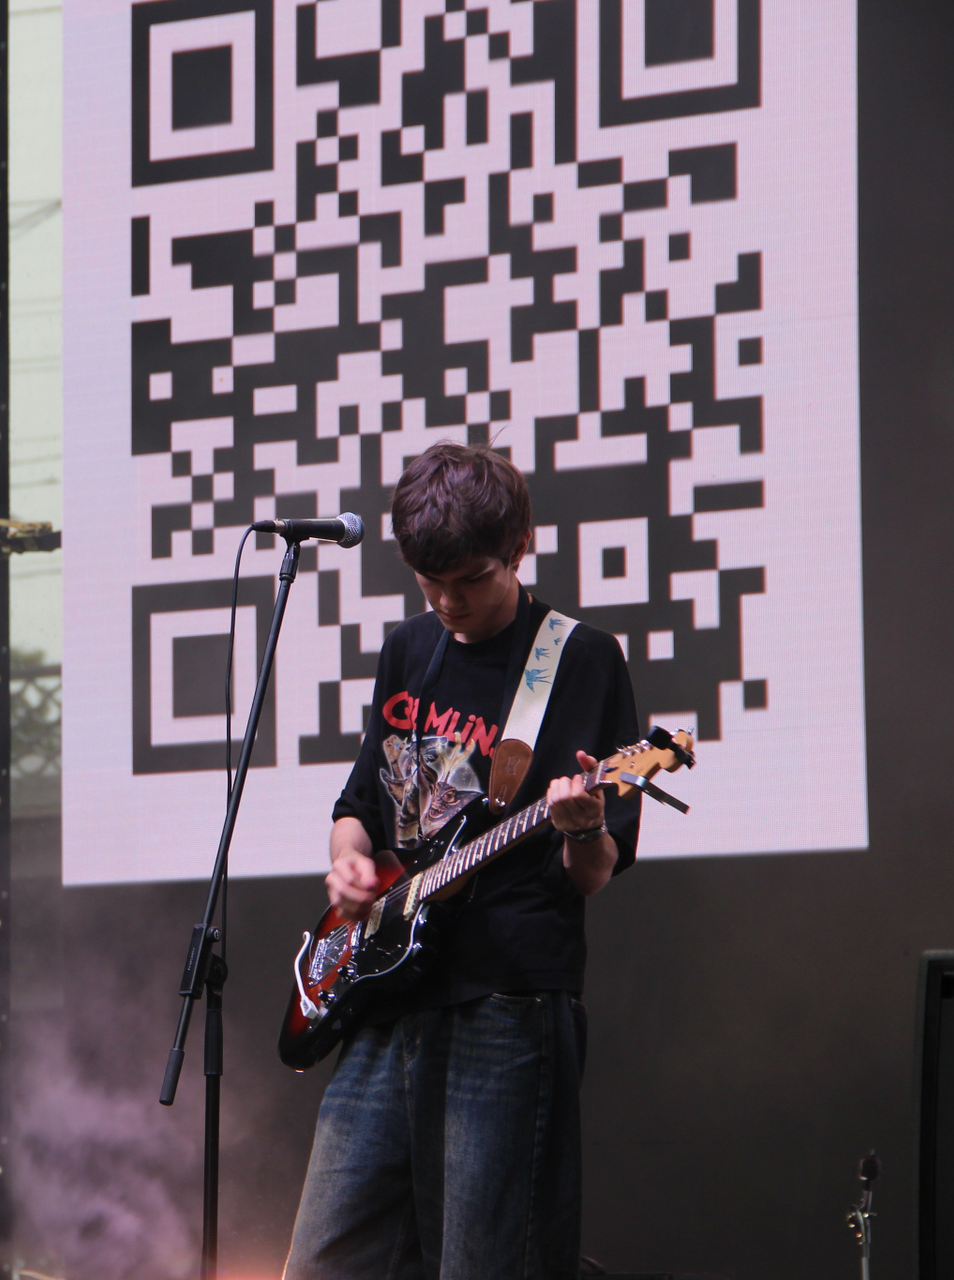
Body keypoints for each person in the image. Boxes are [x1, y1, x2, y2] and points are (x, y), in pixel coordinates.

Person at [282, 442, 642, 1280]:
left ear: (519, 547)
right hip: (384, 997)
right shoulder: (409, 649)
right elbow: (359, 806)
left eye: (470, 580)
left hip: (505, 1002)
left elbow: (594, 872)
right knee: (321, 1263)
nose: (448, 602)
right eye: (429, 581)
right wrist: (348, 865)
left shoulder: (580, 658)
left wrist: (581, 826)